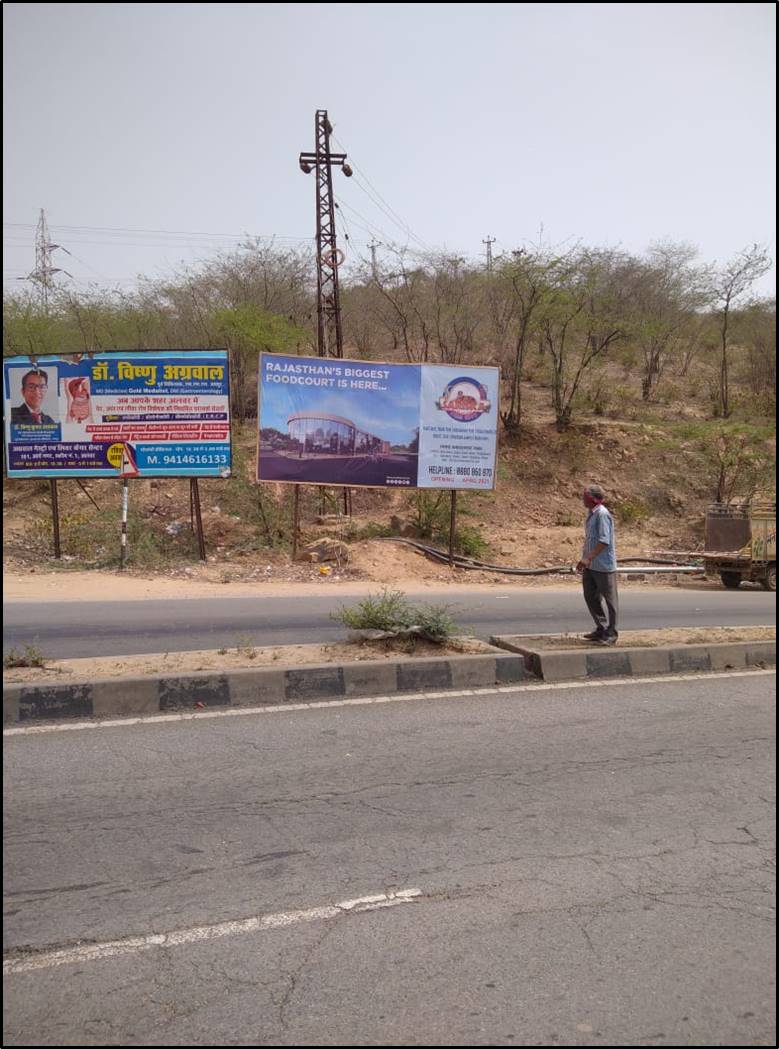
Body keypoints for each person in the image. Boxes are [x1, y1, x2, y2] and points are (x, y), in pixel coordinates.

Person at [576, 483, 618, 645]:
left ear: (592, 499)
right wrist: (585, 559)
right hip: (591, 565)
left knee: (610, 600)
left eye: (585, 497)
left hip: (603, 565)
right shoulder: (591, 514)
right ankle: (601, 628)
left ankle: (612, 632)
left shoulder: (602, 514)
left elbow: (604, 541)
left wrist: (589, 558)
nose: (583, 500)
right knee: (590, 596)